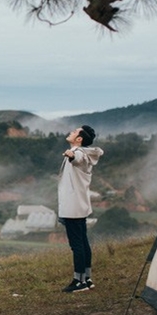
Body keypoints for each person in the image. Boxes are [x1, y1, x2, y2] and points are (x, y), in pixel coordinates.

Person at [58, 125, 104, 293]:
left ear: (79, 139)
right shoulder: (84, 154)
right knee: (83, 242)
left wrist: (71, 155)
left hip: (73, 208)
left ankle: (79, 281)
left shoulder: (79, 154)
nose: (70, 132)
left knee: (76, 244)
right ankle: (87, 278)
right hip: (79, 206)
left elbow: (76, 158)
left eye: (74, 132)